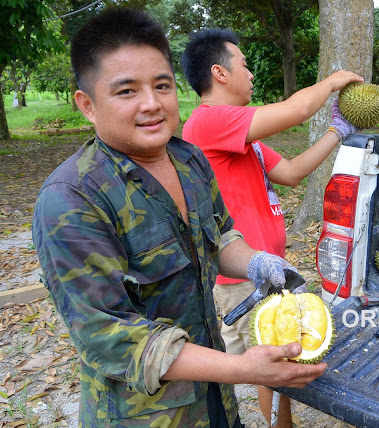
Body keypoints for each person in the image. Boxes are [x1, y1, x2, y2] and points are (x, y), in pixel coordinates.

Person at [31, 8, 326, 428]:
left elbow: (221, 235)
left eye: (162, 85)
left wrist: (258, 262)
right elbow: (109, 337)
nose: (151, 104)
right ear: (87, 105)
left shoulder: (189, 160)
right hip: (144, 415)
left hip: (216, 400)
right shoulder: (72, 199)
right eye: (127, 91)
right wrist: (245, 369)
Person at [180, 29, 362, 427]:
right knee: (266, 363)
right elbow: (296, 111)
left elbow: (293, 173)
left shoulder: (246, 140)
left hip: (270, 268)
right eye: (244, 65)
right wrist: (332, 82)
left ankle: (283, 422)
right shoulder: (207, 122)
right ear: (219, 73)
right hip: (243, 278)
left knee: (283, 352)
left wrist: (337, 132)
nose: (250, 74)